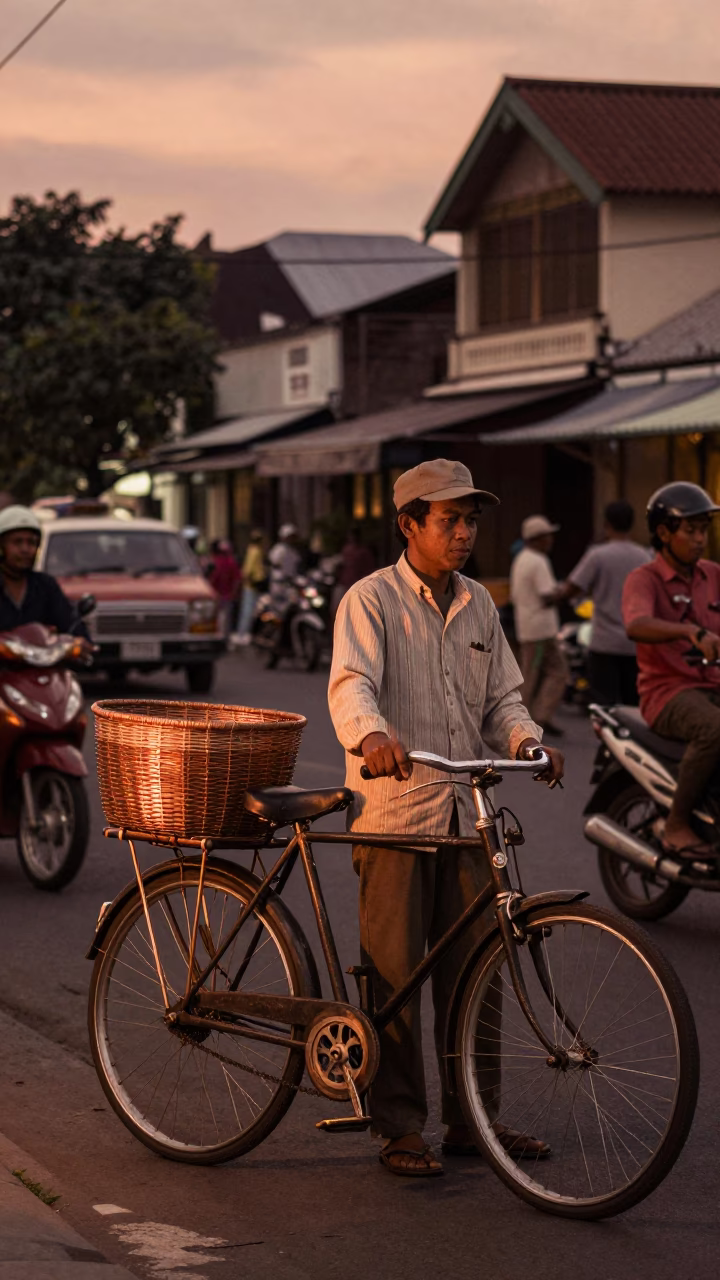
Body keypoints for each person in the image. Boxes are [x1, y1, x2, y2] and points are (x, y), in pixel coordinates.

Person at [328, 458, 563, 1178]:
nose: (463, 533)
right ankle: (399, 1126)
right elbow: (352, 684)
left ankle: (473, 1121)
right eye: (449, 520)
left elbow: (502, 700)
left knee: (476, 979)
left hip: (467, 814)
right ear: (410, 525)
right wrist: (371, 734)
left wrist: (526, 741)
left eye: (471, 521)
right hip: (396, 816)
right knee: (396, 981)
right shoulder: (370, 600)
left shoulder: (480, 604)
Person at [623, 482, 720, 858]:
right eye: (691, 531)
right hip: (667, 692)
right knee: (714, 729)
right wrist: (689, 632)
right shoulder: (644, 579)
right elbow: (636, 624)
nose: (700, 539)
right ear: (664, 533)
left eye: (704, 530)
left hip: (711, 684)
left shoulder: (712, 574)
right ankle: (676, 823)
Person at [558, 501, 650, 705]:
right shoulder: (644, 556)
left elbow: (572, 587)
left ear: (606, 524)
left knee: (603, 707)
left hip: (604, 643)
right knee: (633, 706)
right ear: (632, 524)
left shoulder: (598, 555)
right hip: (635, 644)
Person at [509, 515, 568, 737]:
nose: (551, 540)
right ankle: (532, 718)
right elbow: (547, 595)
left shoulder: (522, 558)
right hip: (541, 630)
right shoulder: (538, 561)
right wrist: (563, 591)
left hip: (528, 627)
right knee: (555, 671)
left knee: (532, 673)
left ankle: (531, 718)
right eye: (548, 536)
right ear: (539, 538)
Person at [0, 505, 90, 642]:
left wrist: (80, 642)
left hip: (42, 655)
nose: (25, 549)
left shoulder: (45, 585)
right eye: (17, 542)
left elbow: (69, 624)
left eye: (31, 543)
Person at [331, 527, 375, 616]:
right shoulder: (346, 549)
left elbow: (369, 569)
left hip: (357, 585)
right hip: (345, 583)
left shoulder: (364, 552)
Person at [233, 531, 267, 646]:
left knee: (252, 609)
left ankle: (246, 633)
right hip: (251, 584)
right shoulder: (254, 551)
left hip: (254, 583)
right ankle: (243, 633)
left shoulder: (255, 550)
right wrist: (248, 579)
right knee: (248, 610)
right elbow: (248, 570)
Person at [207, 539, 242, 635]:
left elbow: (211, 580)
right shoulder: (230, 562)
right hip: (224, 596)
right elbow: (237, 580)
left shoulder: (215, 562)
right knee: (225, 620)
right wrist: (233, 593)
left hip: (218, 596)